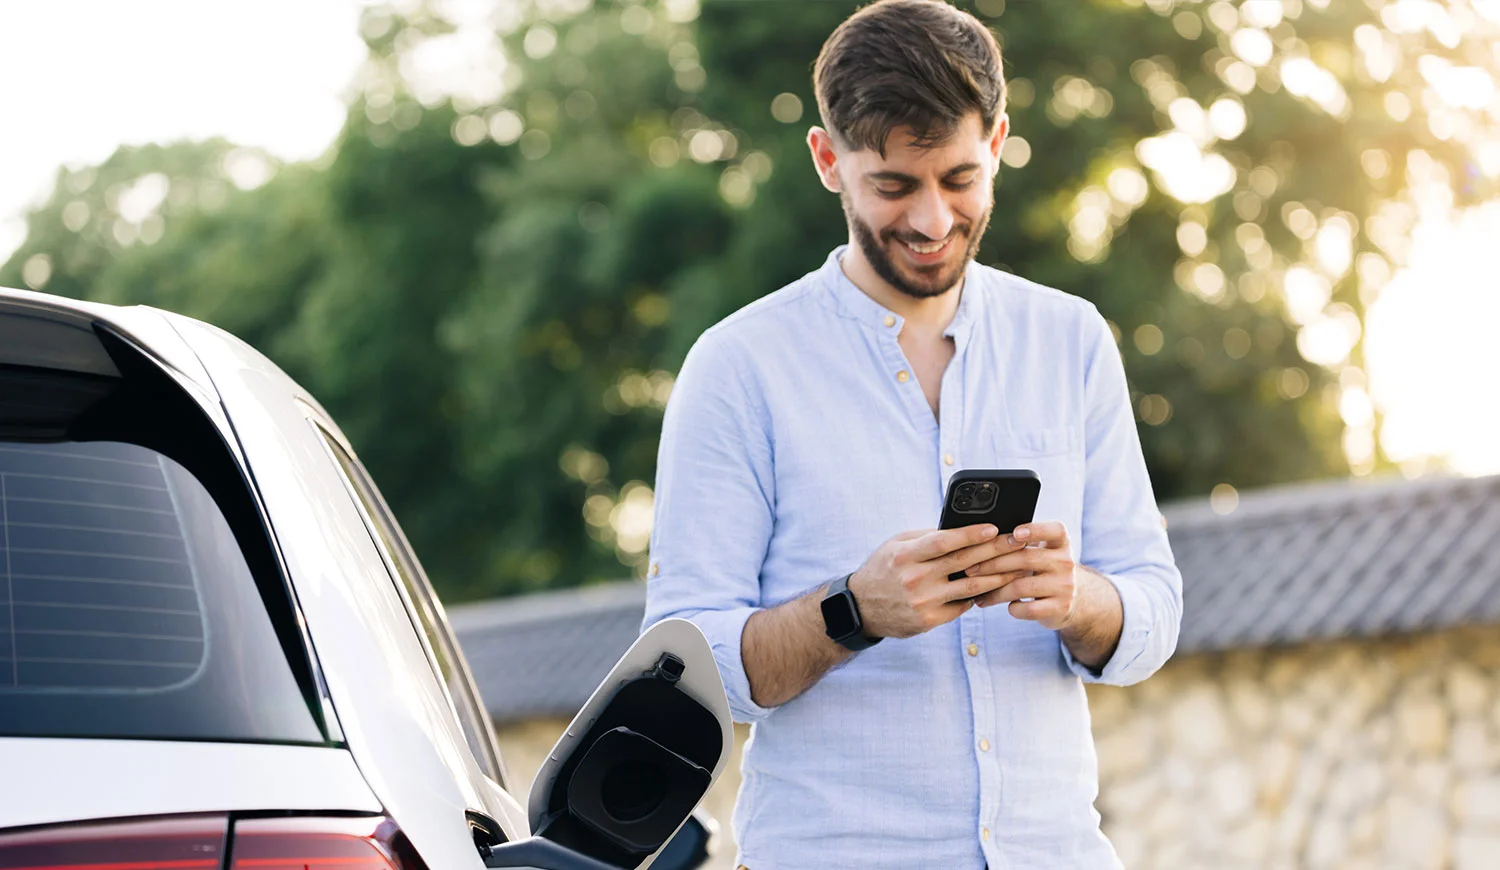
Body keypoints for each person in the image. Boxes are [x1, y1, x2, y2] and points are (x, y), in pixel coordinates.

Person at [642, 1, 1182, 867]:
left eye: (960, 179)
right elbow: (686, 670)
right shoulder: (739, 367)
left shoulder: (1071, 340)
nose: (932, 222)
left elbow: (1155, 606)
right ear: (829, 161)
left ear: (999, 142)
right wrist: (852, 610)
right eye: (894, 186)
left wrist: (1079, 600)